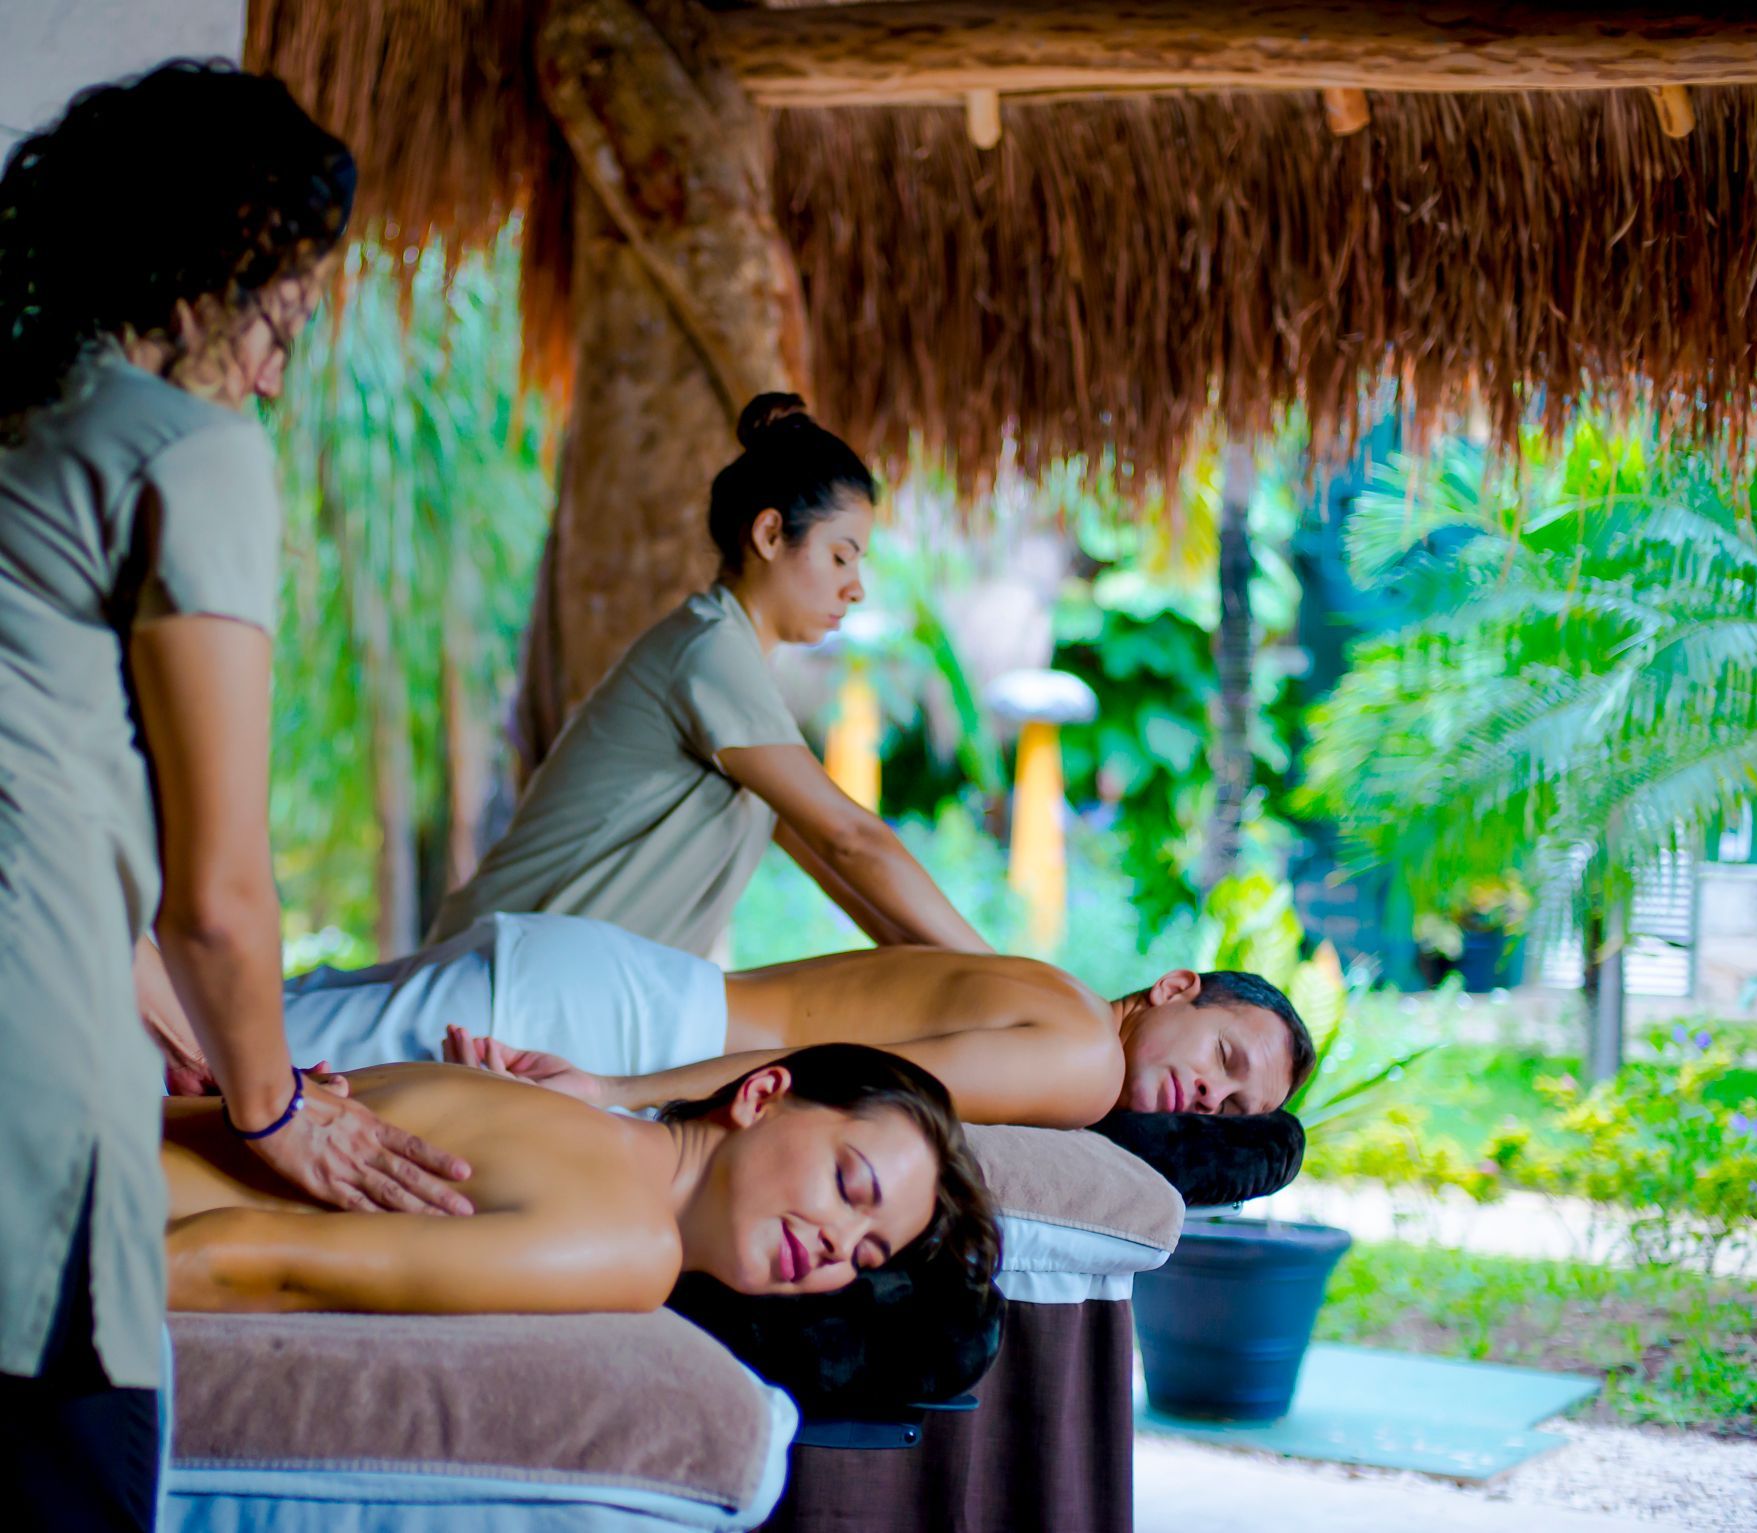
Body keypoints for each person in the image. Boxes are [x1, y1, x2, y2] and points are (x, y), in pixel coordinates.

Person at [0, 60, 470, 1530]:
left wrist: (175, 1024)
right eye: (284, 320)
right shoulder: (186, 448)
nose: (273, 375)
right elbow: (218, 894)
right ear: (211, 265)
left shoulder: (24, 420)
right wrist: (274, 1115)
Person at [426, 394, 990, 959]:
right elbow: (850, 839)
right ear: (770, 535)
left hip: (540, 976)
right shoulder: (710, 651)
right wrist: (1007, 976)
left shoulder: (737, 674)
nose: (856, 588)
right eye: (841, 557)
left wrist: (967, 976)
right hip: (490, 974)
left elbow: (839, 871)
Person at [142, 912, 1314, 1130]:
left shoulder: (1050, 989)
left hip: (606, 977)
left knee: (208, 1030)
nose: (1209, 1097)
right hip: (620, 1034)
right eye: (1225, 1057)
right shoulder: (1083, 1064)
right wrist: (611, 1092)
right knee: (196, 1067)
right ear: (1175, 988)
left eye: (1233, 1106)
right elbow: (847, 1066)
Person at [163, 1046, 999, 1315]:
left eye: (866, 1254)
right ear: (761, 1094)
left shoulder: (549, 1116)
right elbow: (248, 1259)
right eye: (850, 1185)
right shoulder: (637, 1246)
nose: (838, 1245)